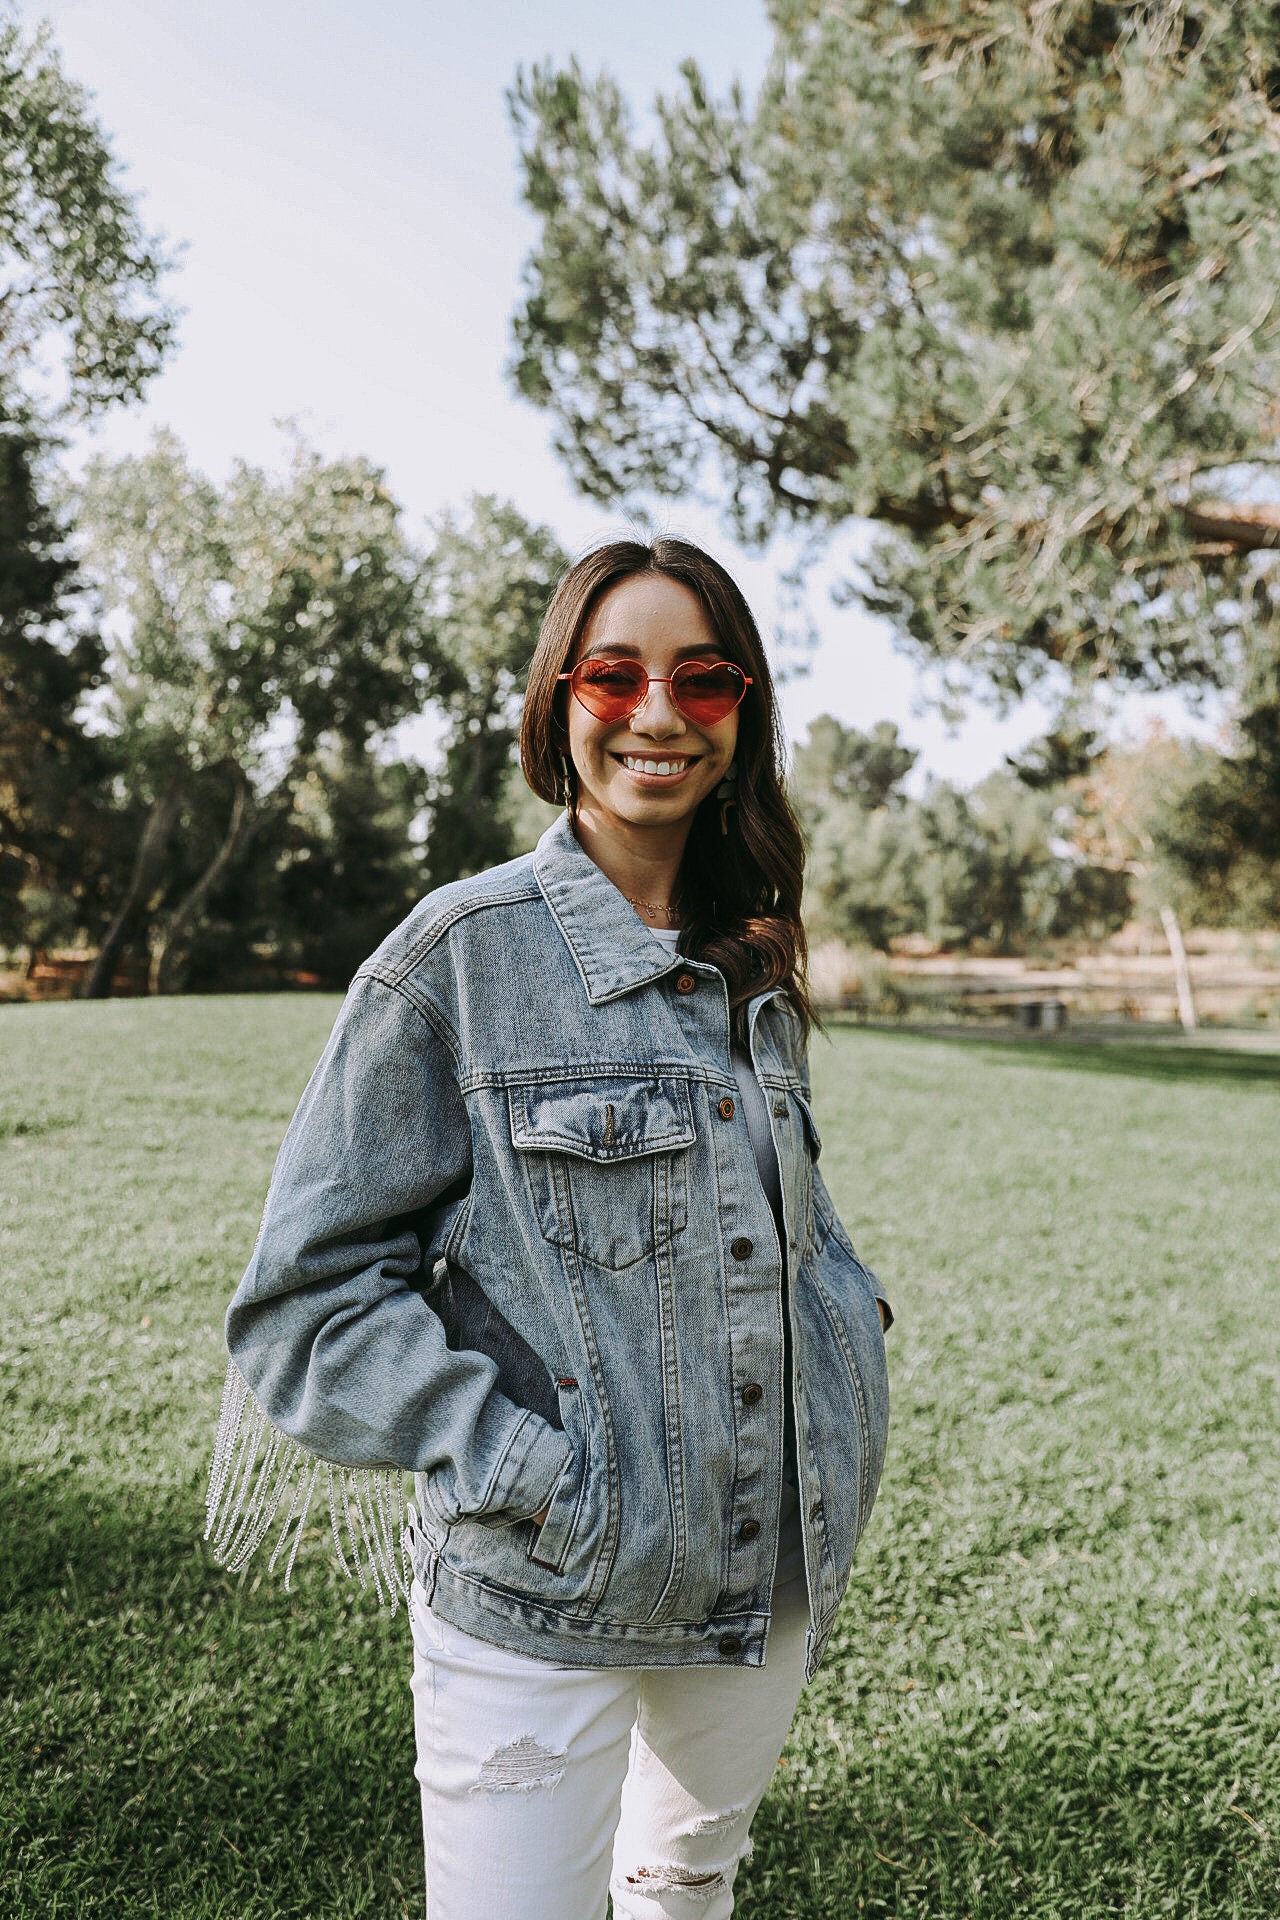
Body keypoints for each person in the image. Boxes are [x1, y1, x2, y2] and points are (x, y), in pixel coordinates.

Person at [209, 537, 891, 1918]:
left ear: (744, 713)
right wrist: (523, 1460)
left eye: (704, 678)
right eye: (615, 673)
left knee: (684, 1881)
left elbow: (775, 1204)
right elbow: (305, 1302)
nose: (658, 712)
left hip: (770, 1556)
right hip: (545, 1583)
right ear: (555, 701)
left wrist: (849, 1330)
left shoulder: (750, 942)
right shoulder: (453, 959)